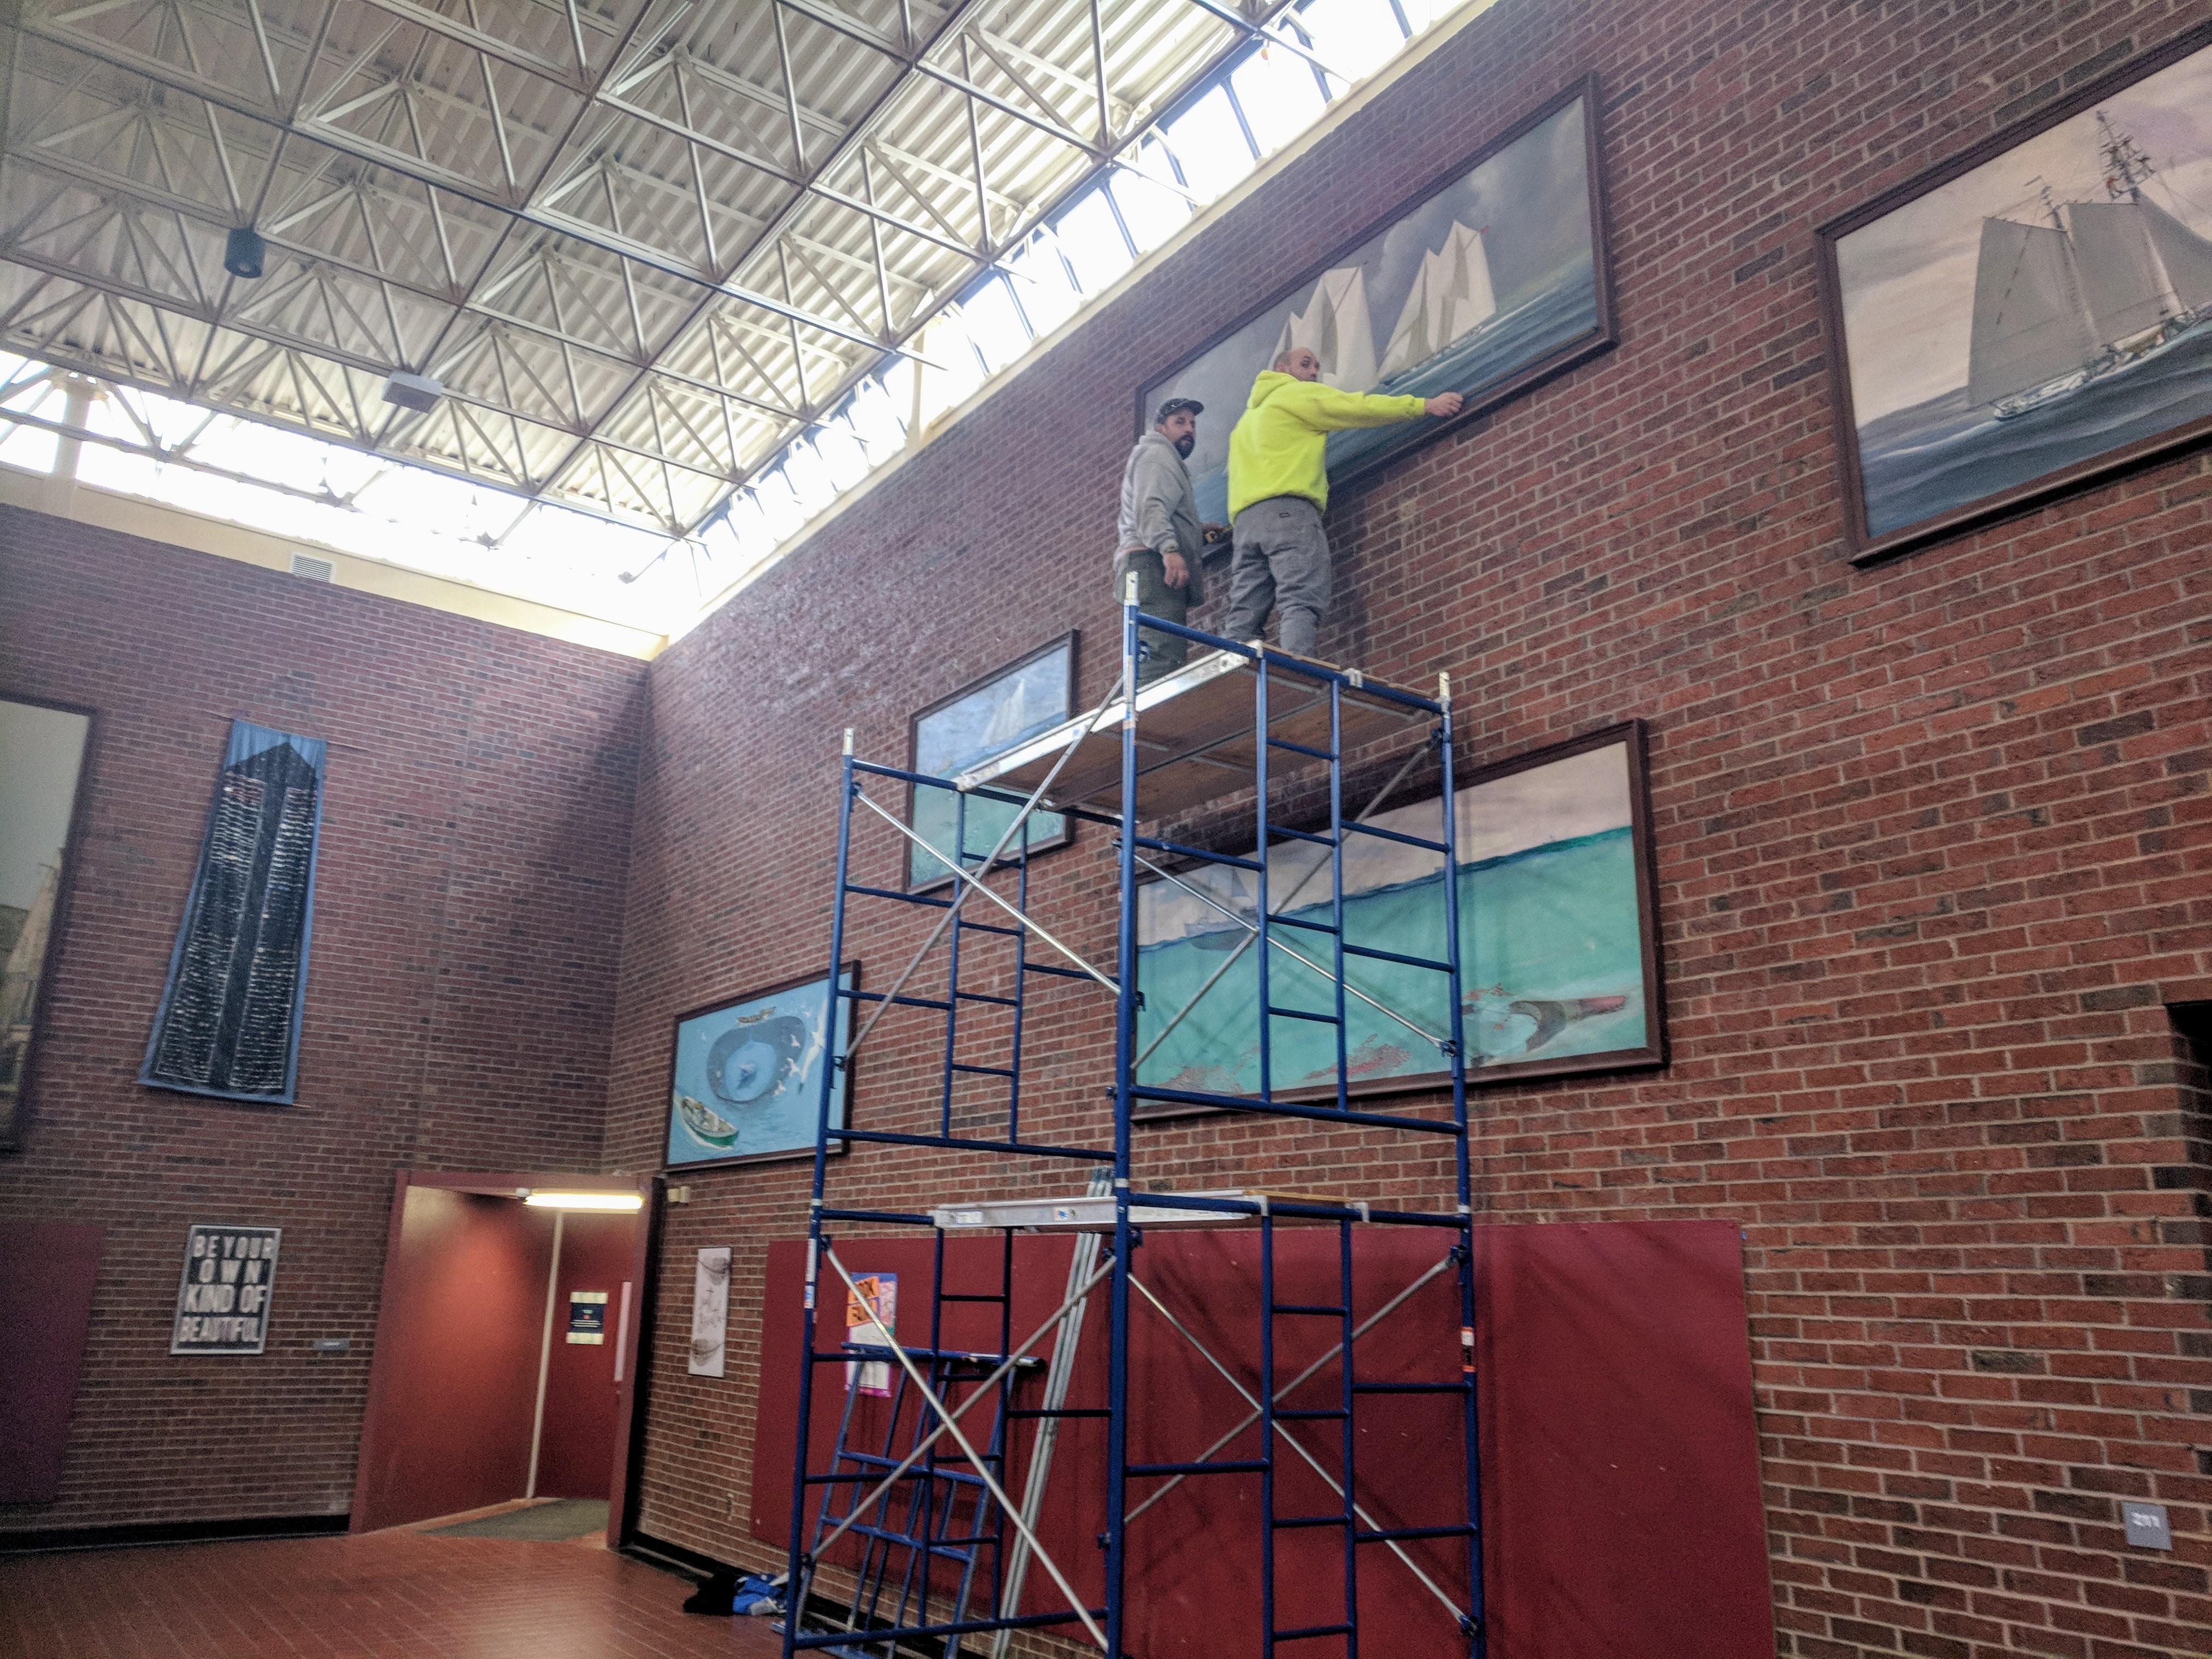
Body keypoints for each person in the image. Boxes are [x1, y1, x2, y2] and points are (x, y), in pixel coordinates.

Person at [1222, 347, 1464, 658]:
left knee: (1244, 612)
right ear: (1282, 369)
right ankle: (1295, 669)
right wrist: (1423, 405)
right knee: (1300, 595)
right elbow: (1357, 407)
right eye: (1306, 365)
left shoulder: (1246, 422)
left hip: (1245, 524)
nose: (1313, 373)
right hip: (1288, 512)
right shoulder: (1295, 396)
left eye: (1316, 367)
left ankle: (1230, 678)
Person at [1112, 397, 1223, 685]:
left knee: (1150, 656)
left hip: (1143, 567)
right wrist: (1170, 549)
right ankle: (1144, 725)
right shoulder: (1159, 455)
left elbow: (1153, 508)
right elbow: (1150, 506)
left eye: (1193, 424)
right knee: (1163, 663)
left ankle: (1135, 719)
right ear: (1161, 428)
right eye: (1180, 422)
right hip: (1151, 567)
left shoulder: (1155, 457)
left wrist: (1194, 531)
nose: (1189, 429)